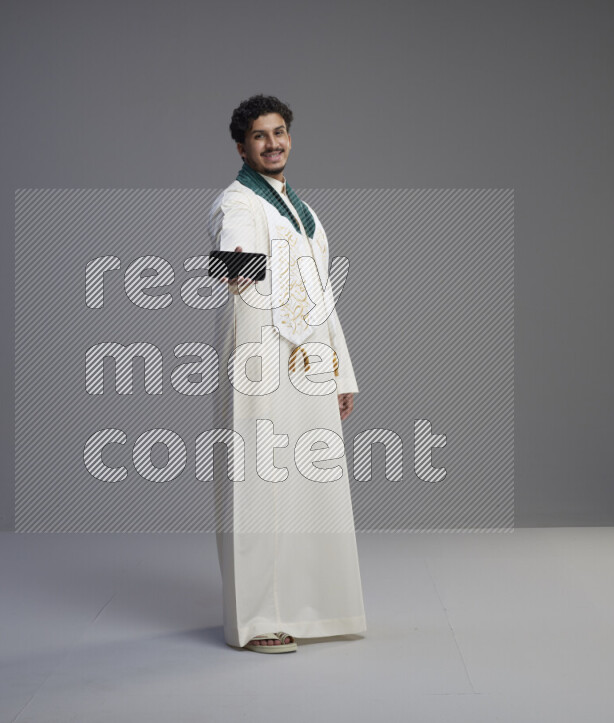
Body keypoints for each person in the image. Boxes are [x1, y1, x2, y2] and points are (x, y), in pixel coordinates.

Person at [207, 94, 366, 653]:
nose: (272, 143)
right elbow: (233, 263)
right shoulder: (237, 202)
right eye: (259, 136)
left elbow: (322, 293)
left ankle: (308, 608)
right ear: (241, 147)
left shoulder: (302, 210)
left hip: (308, 359)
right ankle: (255, 621)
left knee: (310, 482)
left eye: (279, 133)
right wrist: (238, 264)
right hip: (258, 356)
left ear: (290, 138)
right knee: (257, 481)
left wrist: (341, 370)